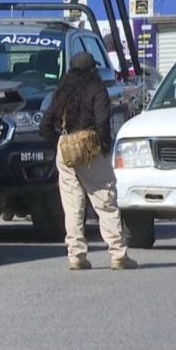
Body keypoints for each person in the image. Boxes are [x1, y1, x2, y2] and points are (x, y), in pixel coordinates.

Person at [39, 51, 137, 271]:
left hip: (66, 150)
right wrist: (103, 146)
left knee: (73, 205)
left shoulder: (62, 92)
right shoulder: (97, 90)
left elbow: (44, 125)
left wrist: (61, 142)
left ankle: (76, 255)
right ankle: (118, 253)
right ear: (93, 70)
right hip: (91, 149)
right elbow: (103, 122)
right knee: (105, 199)